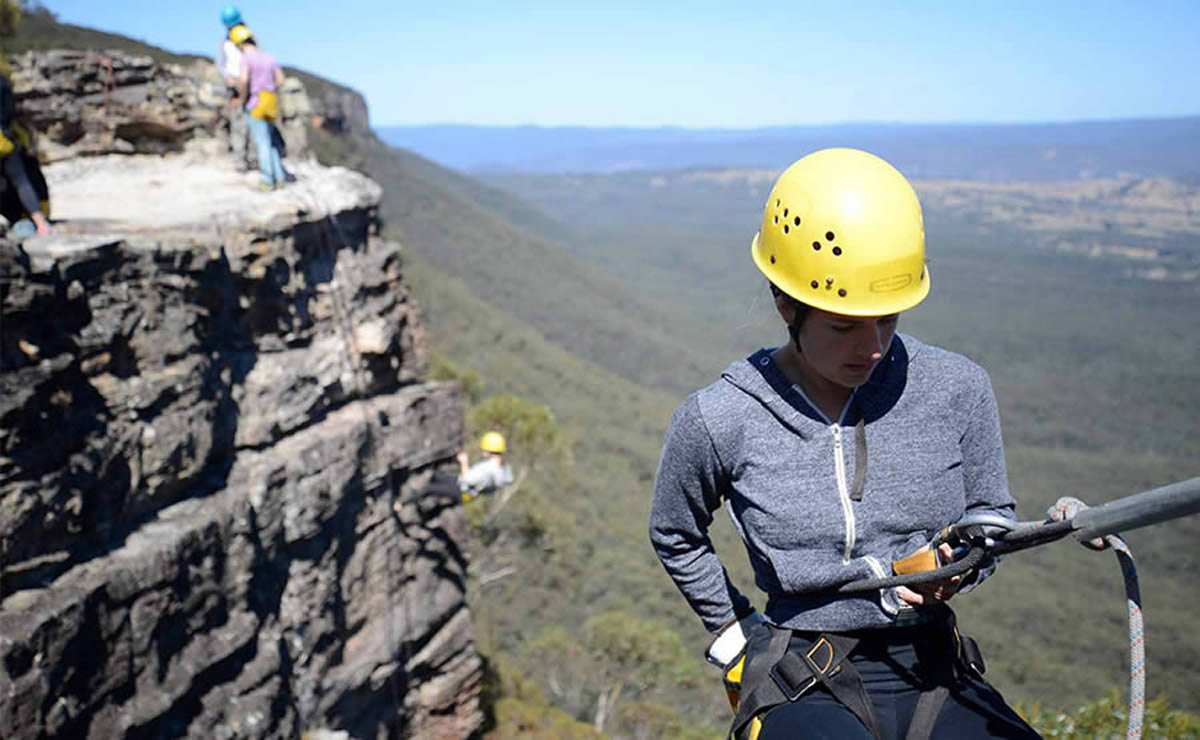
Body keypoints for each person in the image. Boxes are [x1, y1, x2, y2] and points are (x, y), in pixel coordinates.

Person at [648, 148, 1039, 739]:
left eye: (888, 319)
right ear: (785, 303)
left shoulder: (957, 388)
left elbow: (990, 515)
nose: (873, 346)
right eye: (843, 325)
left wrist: (958, 565)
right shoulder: (721, 417)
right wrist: (735, 636)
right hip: (802, 666)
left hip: (933, 661)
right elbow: (675, 532)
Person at [231, 25, 294, 190]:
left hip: (256, 101)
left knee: (262, 142)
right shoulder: (268, 57)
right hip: (271, 100)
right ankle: (280, 176)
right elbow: (280, 79)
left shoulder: (246, 58)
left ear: (238, 43)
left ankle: (267, 179)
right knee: (271, 141)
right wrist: (269, 86)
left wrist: (243, 98)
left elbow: (243, 80)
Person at [0, 75, 50, 236]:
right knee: (21, 181)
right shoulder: (4, 81)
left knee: (18, 182)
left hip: (5, 140)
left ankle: (32, 223)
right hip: (8, 138)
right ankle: (41, 224)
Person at [215, 5, 253, 172]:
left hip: (251, 85)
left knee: (253, 122)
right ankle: (240, 160)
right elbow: (221, 64)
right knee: (238, 123)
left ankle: (253, 157)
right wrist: (228, 77)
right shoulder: (224, 42)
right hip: (234, 86)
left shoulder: (249, 38)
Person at [458, 431, 513, 502]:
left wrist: (463, 461)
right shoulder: (504, 467)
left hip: (461, 491)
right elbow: (507, 480)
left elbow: (467, 479)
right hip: (469, 494)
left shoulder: (489, 467)